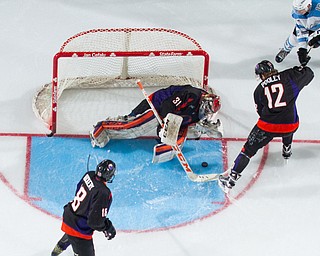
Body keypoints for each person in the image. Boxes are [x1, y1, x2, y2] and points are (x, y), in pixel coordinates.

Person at [218, 60, 314, 193]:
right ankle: (287, 149)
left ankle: (230, 180)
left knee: (247, 151)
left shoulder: (258, 90)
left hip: (268, 127)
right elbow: (310, 74)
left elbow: (261, 112)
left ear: (261, 74)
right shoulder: (289, 76)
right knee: (288, 119)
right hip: (291, 125)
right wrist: (301, 66)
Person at [90, 84, 222, 163]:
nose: (206, 112)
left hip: (175, 115)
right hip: (157, 105)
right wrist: (166, 124)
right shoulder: (190, 95)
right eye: (206, 109)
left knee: (178, 138)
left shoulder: (206, 108)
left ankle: (164, 150)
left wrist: (204, 127)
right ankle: (103, 128)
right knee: (134, 127)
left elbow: (191, 122)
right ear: (204, 101)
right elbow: (167, 105)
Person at [51, 159, 117, 256]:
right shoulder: (103, 192)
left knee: (74, 228)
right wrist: (107, 227)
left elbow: (78, 190)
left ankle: (57, 250)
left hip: (69, 215)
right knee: (76, 234)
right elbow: (95, 222)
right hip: (78, 229)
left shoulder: (89, 174)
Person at [275, 0, 320, 65]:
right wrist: (303, 49)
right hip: (310, 26)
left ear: (308, 5)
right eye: (296, 10)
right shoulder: (297, 14)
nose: (298, 12)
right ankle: (285, 49)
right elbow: (301, 30)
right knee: (293, 39)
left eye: (300, 10)